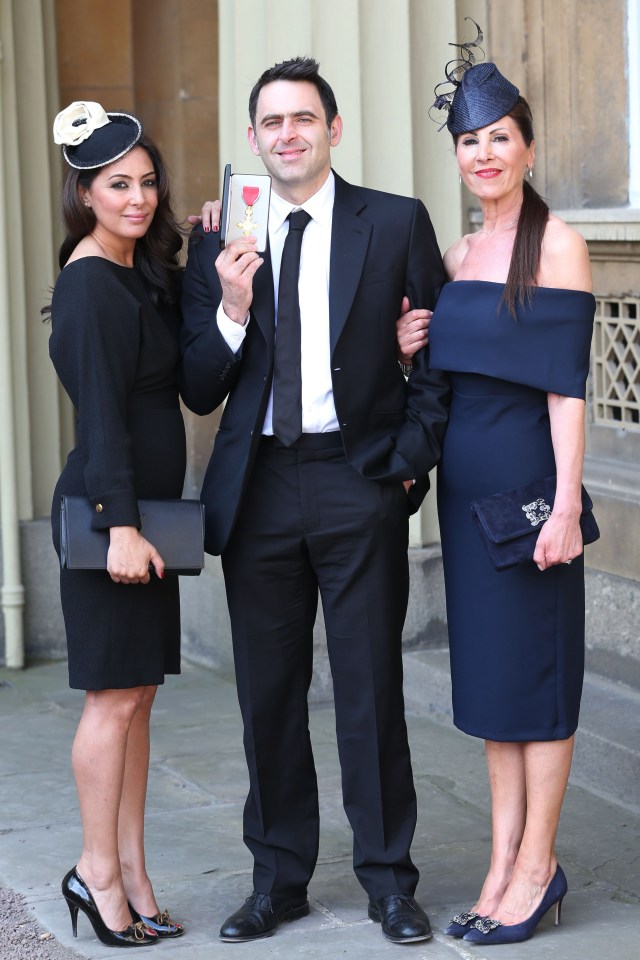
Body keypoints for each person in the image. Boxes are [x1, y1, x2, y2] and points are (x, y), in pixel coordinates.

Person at [180, 57, 450, 945]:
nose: (287, 133)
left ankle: (387, 881)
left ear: (333, 130)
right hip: (259, 490)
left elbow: (435, 358)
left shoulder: (396, 221)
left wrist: (408, 466)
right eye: (271, 122)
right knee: (269, 695)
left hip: (356, 478)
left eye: (304, 118)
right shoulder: (222, 239)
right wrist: (227, 302)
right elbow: (198, 387)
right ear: (254, 138)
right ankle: (279, 878)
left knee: (371, 689)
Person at [397, 27, 595, 946]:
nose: (483, 154)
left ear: (524, 142)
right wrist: (413, 344)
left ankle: (538, 867)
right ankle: (502, 858)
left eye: (498, 137)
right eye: (468, 142)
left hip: (527, 499)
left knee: (538, 687)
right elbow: (446, 370)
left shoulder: (557, 244)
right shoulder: (462, 253)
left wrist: (564, 505)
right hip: (461, 497)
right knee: (489, 692)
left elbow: (566, 391)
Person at [47, 101, 186, 947]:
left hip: (143, 523)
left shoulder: (135, 270)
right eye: (116, 186)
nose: (136, 198)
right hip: (114, 522)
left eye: (145, 182)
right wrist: (120, 526)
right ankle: (95, 870)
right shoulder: (90, 280)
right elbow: (100, 416)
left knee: (136, 698)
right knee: (110, 702)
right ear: (86, 194)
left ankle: (132, 869)